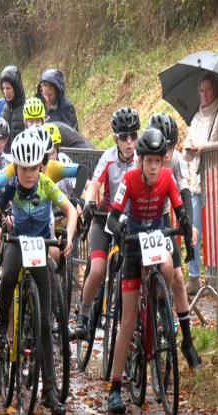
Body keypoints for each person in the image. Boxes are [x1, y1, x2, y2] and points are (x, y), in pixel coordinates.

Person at [0, 128, 75, 414]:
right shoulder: (10, 185)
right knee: (8, 275)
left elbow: (71, 210)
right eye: (23, 169)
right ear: (17, 167)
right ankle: (1, 328)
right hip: (16, 244)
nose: (28, 174)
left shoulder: (47, 184)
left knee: (46, 325)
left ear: (40, 166)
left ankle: (48, 389)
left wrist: (69, 236)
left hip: (41, 246)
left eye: (33, 168)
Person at [105, 129, 194, 413]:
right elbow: (113, 213)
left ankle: (160, 305)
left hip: (156, 234)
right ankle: (116, 387)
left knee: (169, 266)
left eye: (158, 161)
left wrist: (184, 219)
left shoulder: (167, 178)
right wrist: (117, 225)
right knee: (128, 320)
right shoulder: (130, 179)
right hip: (133, 241)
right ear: (140, 161)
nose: (154, 167)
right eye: (149, 161)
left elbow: (179, 207)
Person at [75, 107, 140, 339]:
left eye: (134, 135)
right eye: (124, 137)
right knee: (99, 269)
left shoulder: (142, 158)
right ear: (116, 139)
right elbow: (94, 183)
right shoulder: (109, 157)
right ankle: (82, 314)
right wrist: (90, 201)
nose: (130, 142)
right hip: (105, 217)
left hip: (131, 220)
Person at [148, 113, 202, 369]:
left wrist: (188, 226)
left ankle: (187, 341)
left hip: (162, 223)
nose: (168, 153)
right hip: (140, 222)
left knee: (178, 279)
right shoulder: (146, 157)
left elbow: (185, 192)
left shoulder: (177, 161)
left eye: (171, 146)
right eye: (164, 146)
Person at [182, 73, 218, 295]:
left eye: (208, 90)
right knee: (193, 231)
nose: (204, 94)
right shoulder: (196, 117)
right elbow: (188, 143)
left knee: (214, 232)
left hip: (214, 184)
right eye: (201, 91)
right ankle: (194, 277)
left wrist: (205, 148)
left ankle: (215, 277)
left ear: (215, 92)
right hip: (195, 182)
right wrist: (188, 149)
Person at [0, 65, 26, 145]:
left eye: (8, 88)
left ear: (16, 88)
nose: (6, 92)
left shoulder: (26, 109)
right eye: (3, 88)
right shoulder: (4, 109)